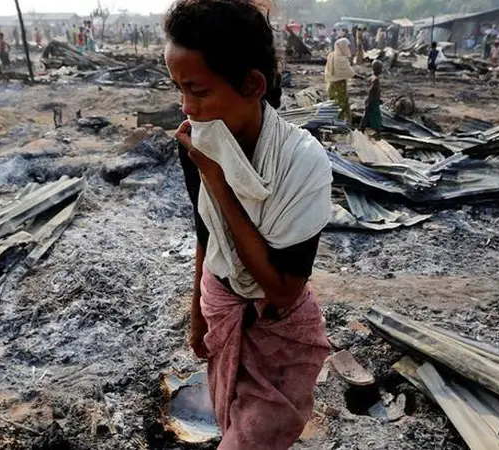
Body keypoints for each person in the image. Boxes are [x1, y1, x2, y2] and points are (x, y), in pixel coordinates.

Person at [164, 0, 332, 448]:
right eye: (178, 88)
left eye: (198, 91)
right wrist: (197, 316)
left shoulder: (302, 161)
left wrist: (218, 182)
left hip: (277, 329)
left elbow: (282, 289)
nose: (187, 107)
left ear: (253, 84)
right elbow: (206, 232)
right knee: (232, 420)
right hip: (222, 307)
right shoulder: (197, 143)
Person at [325, 38, 355, 123]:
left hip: (331, 84)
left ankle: (335, 121)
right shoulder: (341, 59)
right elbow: (351, 73)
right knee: (341, 104)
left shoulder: (331, 55)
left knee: (333, 103)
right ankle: (342, 122)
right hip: (340, 85)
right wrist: (361, 77)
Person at [360, 60, 383, 137]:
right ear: (376, 69)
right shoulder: (375, 80)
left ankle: (362, 129)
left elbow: (373, 91)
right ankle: (377, 132)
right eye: (380, 68)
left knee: (367, 115)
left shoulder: (371, 77)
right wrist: (370, 102)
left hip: (371, 99)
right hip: (372, 101)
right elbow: (371, 91)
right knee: (376, 117)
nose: (381, 70)